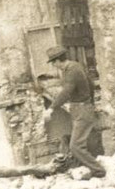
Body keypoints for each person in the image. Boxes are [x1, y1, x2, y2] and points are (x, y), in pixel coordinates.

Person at [43, 47, 105, 177]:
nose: (54, 66)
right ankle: (86, 167)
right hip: (80, 108)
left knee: (75, 146)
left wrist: (51, 108)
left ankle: (98, 170)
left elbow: (66, 92)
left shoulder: (72, 70)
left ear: (58, 60)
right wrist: (91, 103)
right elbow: (91, 85)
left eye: (53, 63)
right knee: (80, 142)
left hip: (82, 109)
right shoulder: (73, 67)